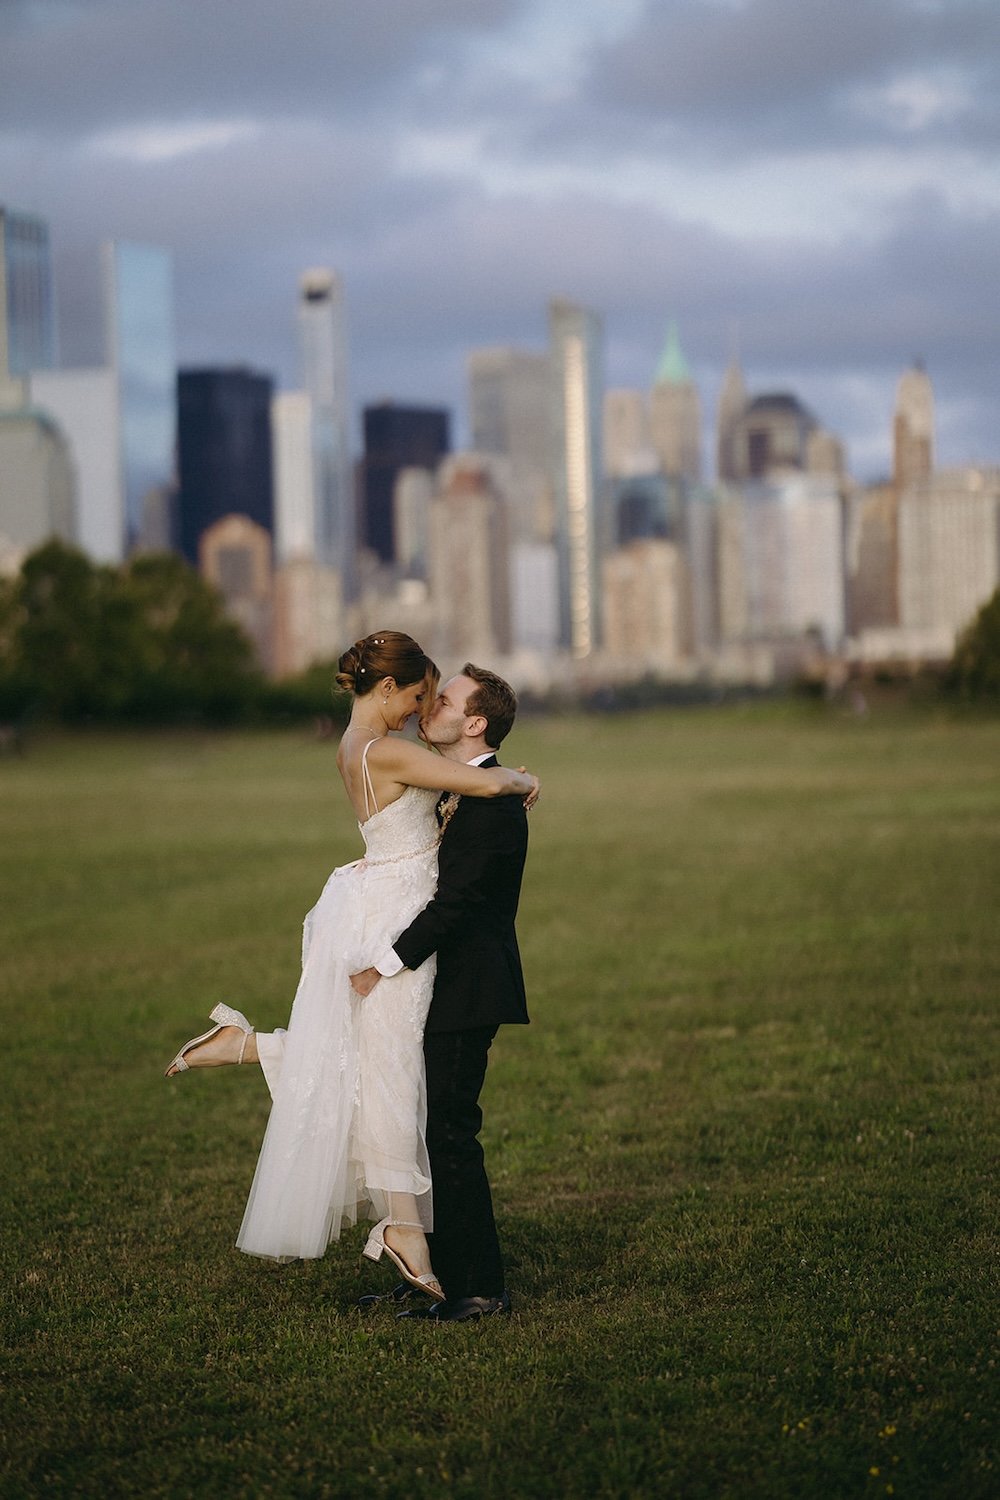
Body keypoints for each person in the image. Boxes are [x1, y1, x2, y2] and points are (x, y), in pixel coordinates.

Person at [165, 632, 538, 1304]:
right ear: (389, 687)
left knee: (377, 1069)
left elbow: (469, 831)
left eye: (438, 701)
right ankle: (412, 1238)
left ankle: (441, 1259)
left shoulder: (361, 746)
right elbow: (489, 782)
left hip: (398, 926)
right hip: (394, 924)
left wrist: (504, 780)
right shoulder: (392, 752)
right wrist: (520, 778)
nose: (421, 712)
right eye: (419, 697)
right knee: (386, 1074)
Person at [350, 664, 531, 1322]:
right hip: (438, 985)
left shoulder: (492, 805)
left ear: (475, 722)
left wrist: (382, 965)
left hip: (467, 989)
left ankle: (480, 1289)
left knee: (449, 1134)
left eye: (446, 700)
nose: (431, 706)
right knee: (418, 1131)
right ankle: (426, 1271)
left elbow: (454, 907)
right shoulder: (465, 786)